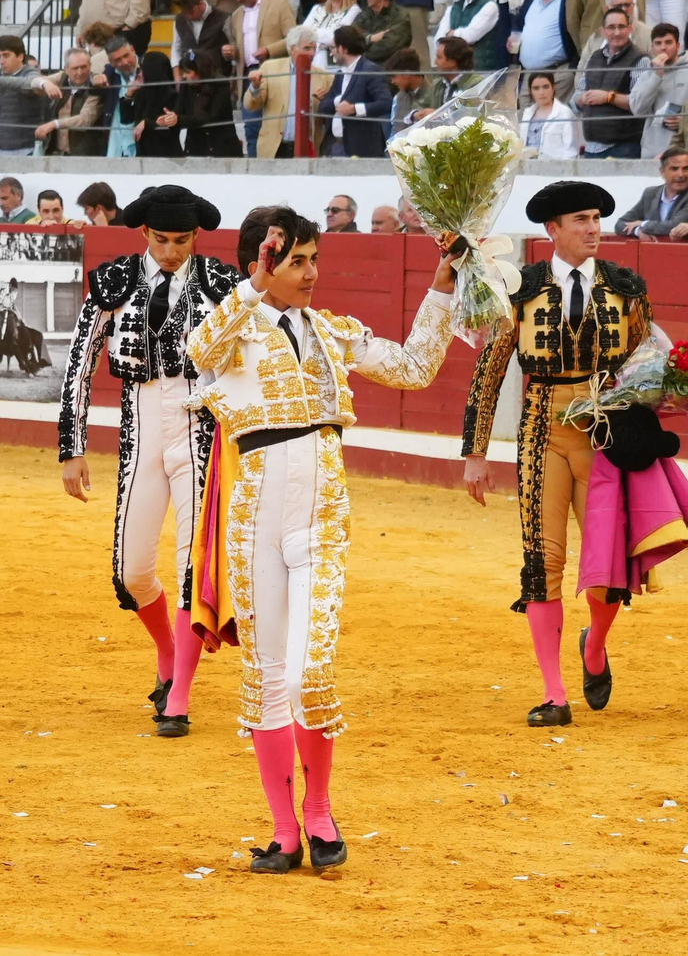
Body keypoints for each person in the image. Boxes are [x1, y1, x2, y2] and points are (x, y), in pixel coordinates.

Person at [187, 204, 456, 873]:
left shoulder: (334, 332)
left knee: (312, 673)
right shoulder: (237, 328)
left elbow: (416, 365)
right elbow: (198, 351)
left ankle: (318, 807)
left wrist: (444, 281)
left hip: (322, 518)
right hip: (254, 519)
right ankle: (283, 830)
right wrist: (251, 285)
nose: (310, 275)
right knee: (270, 676)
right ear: (264, 262)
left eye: (313, 261)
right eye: (296, 261)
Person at [460, 180, 651, 728]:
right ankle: (554, 692)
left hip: (605, 431)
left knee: (607, 564)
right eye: (582, 219)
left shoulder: (625, 286)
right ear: (553, 230)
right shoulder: (518, 286)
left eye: (597, 218)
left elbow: (644, 364)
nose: (594, 228)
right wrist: (476, 451)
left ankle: (595, 646)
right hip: (542, 427)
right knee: (543, 561)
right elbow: (490, 369)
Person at [59, 185, 242, 736]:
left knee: (192, 567)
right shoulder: (113, 281)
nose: (170, 251)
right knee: (131, 570)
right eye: (161, 240)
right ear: (144, 234)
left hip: (201, 431)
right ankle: (167, 653)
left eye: (181, 241)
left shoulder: (223, 285)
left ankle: (180, 696)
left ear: (196, 236)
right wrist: (72, 445)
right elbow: (79, 362)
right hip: (139, 426)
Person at [223, 0, 294, 156]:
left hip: (275, 74)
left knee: (277, 127)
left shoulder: (280, 4)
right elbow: (238, 47)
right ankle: (255, 171)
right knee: (252, 129)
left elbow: (293, 39)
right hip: (248, 75)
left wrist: (269, 50)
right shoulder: (237, 15)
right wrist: (231, 51)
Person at [245, 22, 328, 159]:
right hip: (275, 148)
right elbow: (251, 105)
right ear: (292, 49)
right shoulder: (269, 68)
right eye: (307, 48)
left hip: (308, 148)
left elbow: (328, 115)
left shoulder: (324, 76)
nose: (312, 53)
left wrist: (325, 101)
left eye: (314, 49)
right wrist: (254, 87)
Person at [576, 6, 648, 159]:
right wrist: (582, 99)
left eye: (621, 27)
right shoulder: (593, 57)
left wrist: (609, 97)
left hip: (623, 148)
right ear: (603, 31)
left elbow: (639, 104)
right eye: (611, 27)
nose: (617, 32)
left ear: (630, 29)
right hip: (591, 148)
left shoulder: (641, 60)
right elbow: (575, 99)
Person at [511, 0, 576, 100]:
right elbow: (519, 26)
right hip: (529, 77)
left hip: (558, 75)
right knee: (524, 121)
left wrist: (573, 69)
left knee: (553, 122)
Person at [317, 25, 391, 158]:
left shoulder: (371, 70)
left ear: (342, 49)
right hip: (335, 147)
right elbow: (323, 107)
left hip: (362, 149)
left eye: (333, 48)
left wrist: (355, 109)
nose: (331, 52)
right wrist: (336, 101)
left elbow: (385, 103)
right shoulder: (340, 75)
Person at [628, 22, 688, 159]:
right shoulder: (647, 73)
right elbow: (637, 109)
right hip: (652, 152)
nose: (663, 48)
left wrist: (686, 122)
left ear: (678, 46)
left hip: (686, 151)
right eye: (658, 43)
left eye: (668, 42)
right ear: (652, 47)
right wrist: (656, 75)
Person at [0, 34, 47, 156]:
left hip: (25, 150)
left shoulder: (30, 73)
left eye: (6, 55)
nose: (1, 61)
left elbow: (30, 83)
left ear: (20, 56)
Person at [616, 147, 688, 238]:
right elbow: (620, 224)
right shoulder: (650, 193)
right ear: (662, 171)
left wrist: (643, 224)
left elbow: (676, 226)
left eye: (685, 169)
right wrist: (637, 231)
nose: (681, 174)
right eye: (674, 169)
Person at [165, 49, 243, 157]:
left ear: (199, 71)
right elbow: (179, 111)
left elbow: (211, 117)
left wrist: (179, 119)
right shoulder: (185, 86)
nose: (184, 76)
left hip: (221, 148)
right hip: (195, 147)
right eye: (183, 72)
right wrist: (170, 118)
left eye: (188, 72)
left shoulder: (220, 86)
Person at [33, 48, 104, 157]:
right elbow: (34, 82)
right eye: (75, 68)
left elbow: (84, 120)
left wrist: (54, 124)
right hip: (57, 152)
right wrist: (46, 84)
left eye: (84, 67)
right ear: (66, 69)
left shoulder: (96, 85)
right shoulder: (62, 77)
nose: (80, 72)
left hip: (85, 153)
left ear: (90, 66)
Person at [439, 0, 501, 70]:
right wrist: (455, 35)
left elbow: (470, 36)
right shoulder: (453, 8)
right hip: (458, 72)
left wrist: (452, 34)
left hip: (481, 72)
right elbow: (438, 41)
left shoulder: (490, 6)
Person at [301, 0, 361, 72]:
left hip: (335, 67)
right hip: (311, 64)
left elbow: (337, 36)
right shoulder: (317, 9)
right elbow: (302, 34)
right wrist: (324, 39)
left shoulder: (353, 10)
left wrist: (314, 36)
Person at [357, 0, 412, 65]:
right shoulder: (365, 13)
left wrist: (357, 51)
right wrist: (370, 38)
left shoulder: (400, 17)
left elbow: (385, 48)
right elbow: (350, 37)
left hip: (388, 73)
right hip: (363, 70)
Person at [520, 68, 578, 157]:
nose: (541, 92)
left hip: (555, 167)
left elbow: (571, 150)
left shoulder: (564, 113)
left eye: (546, 87)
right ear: (530, 91)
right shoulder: (527, 114)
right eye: (536, 88)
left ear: (553, 88)